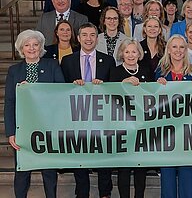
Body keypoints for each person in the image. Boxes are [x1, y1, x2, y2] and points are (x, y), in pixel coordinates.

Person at [5, 29, 64, 198]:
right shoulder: (14, 70)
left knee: (49, 170)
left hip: (47, 126)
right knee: (22, 170)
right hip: (22, 127)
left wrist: (36, 90)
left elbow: (61, 93)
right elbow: (9, 102)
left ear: (41, 47)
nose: (31, 48)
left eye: (35, 45)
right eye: (27, 45)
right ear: (21, 49)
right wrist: (11, 132)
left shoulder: (52, 65)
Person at [61, 22, 115, 198]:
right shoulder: (67, 61)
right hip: (77, 117)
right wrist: (72, 86)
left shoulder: (108, 60)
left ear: (97, 38)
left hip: (102, 117)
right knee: (80, 156)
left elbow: (115, 90)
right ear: (78, 38)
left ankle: (105, 193)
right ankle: (82, 192)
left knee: (103, 157)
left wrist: (104, 86)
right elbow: (60, 90)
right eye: (84, 35)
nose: (88, 39)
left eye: (92, 35)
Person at [155, 34, 192, 198]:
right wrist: (156, 87)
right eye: (174, 46)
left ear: (186, 50)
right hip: (166, 133)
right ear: (168, 49)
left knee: (187, 174)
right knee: (167, 174)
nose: (178, 50)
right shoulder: (159, 73)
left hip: (187, 133)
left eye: (182, 47)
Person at [110, 39, 153, 198]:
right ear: (122, 54)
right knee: (124, 168)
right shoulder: (115, 71)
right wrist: (122, 84)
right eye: (127, 52)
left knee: (141, 167)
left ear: (139, 54)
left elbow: (153, 94)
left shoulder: (146, 69)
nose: (130, 55)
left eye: (134, 51)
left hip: (142, 126)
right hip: (122, 127)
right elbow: (109, 97)